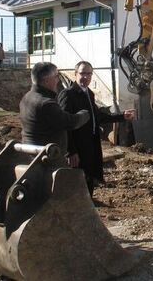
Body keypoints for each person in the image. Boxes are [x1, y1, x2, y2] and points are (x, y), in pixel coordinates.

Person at [58, 61, 136, 197]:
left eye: (89, 74)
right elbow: (64, 125)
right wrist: (70, 151)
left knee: (89, 179)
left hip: (91, 144)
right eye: (82, 73)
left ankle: (88, 208)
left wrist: (122, 116)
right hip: (77, 148)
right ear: (75, 74)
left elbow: (98, 117)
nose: (85, 77)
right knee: (76, 182)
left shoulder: (89, 93)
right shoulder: (68, 95)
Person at [19, 62, 90, 154]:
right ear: (46, 80)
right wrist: (85, 114)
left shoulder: (27, 97)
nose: (58, 80)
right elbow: (70, 122)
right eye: (56, 76)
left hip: (32, 152)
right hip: (47, 157)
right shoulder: (45, 104)